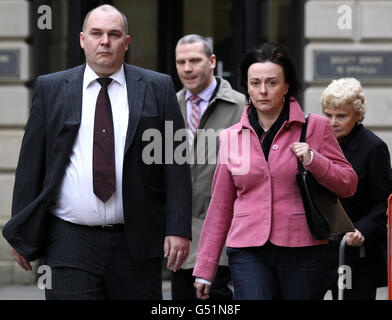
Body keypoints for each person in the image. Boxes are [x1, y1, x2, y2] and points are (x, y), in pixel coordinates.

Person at [2, 4, 192, 300]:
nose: (105, 41)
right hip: (68, 241)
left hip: (136, 242)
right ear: (82, 40)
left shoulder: (157, 87)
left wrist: (179, 227)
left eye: (114, 34)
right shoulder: (52, 88)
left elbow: (176, 164)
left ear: (126, 42)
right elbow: (31, 164)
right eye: (97, 33)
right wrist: (21, 230)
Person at [192, 42, 358, 300]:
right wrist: (205, 267)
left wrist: (314, 160)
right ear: (246, 87)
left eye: (271, 82)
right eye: (255, 83)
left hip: (303, 248)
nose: (263, 91)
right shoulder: (230, 137)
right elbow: (220, 206)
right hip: (247, 249)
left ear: (286, 86)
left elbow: (348, 183)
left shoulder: (315, 127)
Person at [172, 34, 245, 300]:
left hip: (224, 234)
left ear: (212, 61)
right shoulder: (168, 106)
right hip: (180, 237)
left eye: (195, 60)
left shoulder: (241, 107)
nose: (187, 68)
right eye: (181, 62)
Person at [321, 77, 392, 300]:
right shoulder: (319, 142)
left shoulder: (373, 148)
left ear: (358, 115)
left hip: (357, 251)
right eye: (328, 115)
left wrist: (362, 229)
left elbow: (384, 201)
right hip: (322, 248)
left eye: (341, 116)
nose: (333, 122)